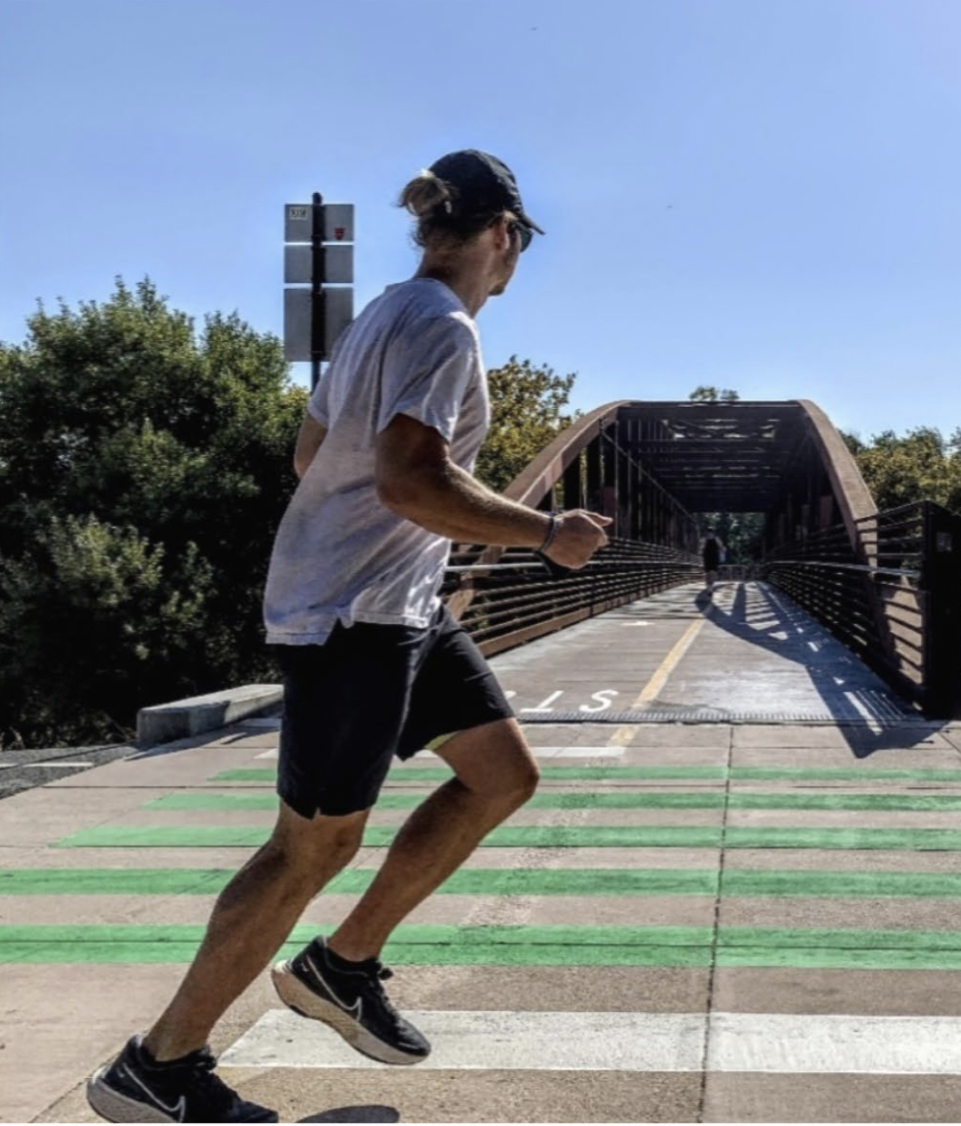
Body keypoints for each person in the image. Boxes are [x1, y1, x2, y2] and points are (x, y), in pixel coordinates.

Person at [86, 150, 611, 1124]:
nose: (510, 270)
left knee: (500, 774)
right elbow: (409, 479)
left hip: (398, 603)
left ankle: (342, 962)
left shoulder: (377, 315)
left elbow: (310, 450)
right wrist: (547, 532)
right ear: (502, 237)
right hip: (347, 617)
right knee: (309, 848)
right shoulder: (444, 330)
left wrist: (375, 522)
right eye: (517, 252)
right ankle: (157, 1067)